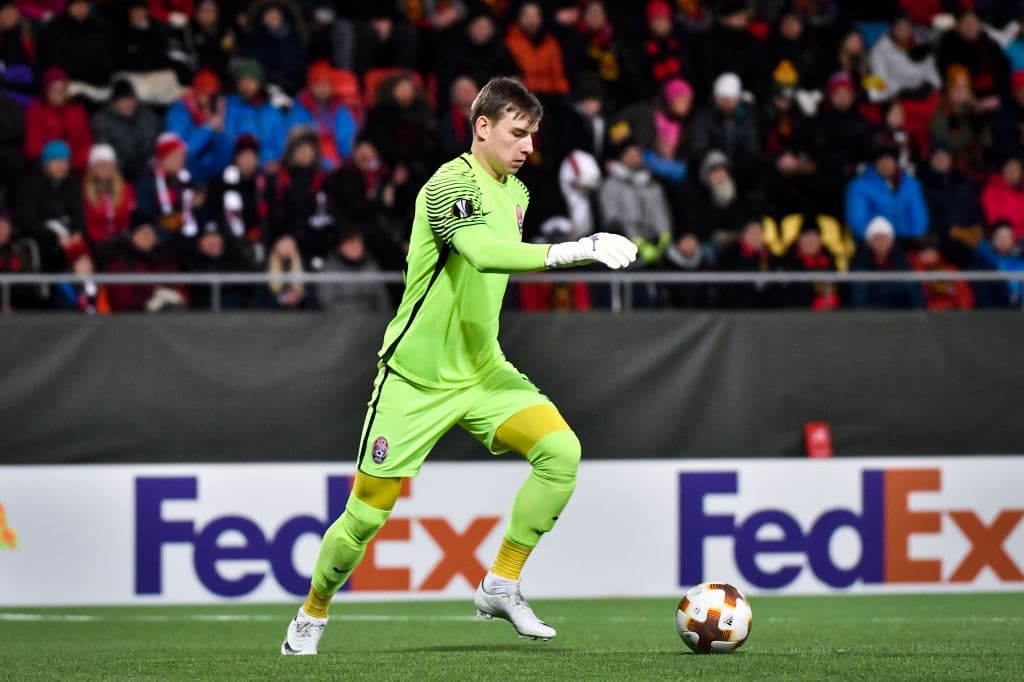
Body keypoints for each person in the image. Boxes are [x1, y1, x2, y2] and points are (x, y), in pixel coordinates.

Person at [280, 76, 637, 656]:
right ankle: (311, 615)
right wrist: (572, 249)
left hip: (483, 372)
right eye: (517, 134)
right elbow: (482, 253)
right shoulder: (448, 184)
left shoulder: (517, 194)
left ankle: (501, 582)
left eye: (532, 137)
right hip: (414, 381)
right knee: (364, 520)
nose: (526, 147)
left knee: (561, 453)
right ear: (483, 127)